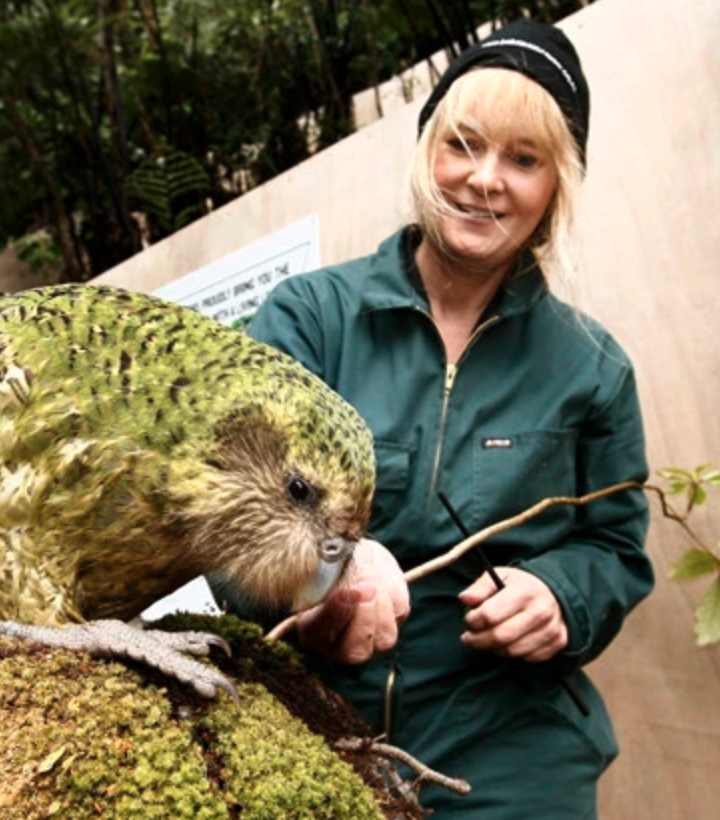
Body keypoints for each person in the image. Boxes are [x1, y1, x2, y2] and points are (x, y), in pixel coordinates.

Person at [241, 19, 654, 819]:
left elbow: (614, 545)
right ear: (427, 152)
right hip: (313, 727)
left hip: (513, 742)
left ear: (556, 186)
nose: (486, 179)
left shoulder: (592, 368)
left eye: (524, 159)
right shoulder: (310, 321)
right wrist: (323, 568)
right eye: (463, 144)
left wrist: (561, 595)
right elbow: (227, 502)